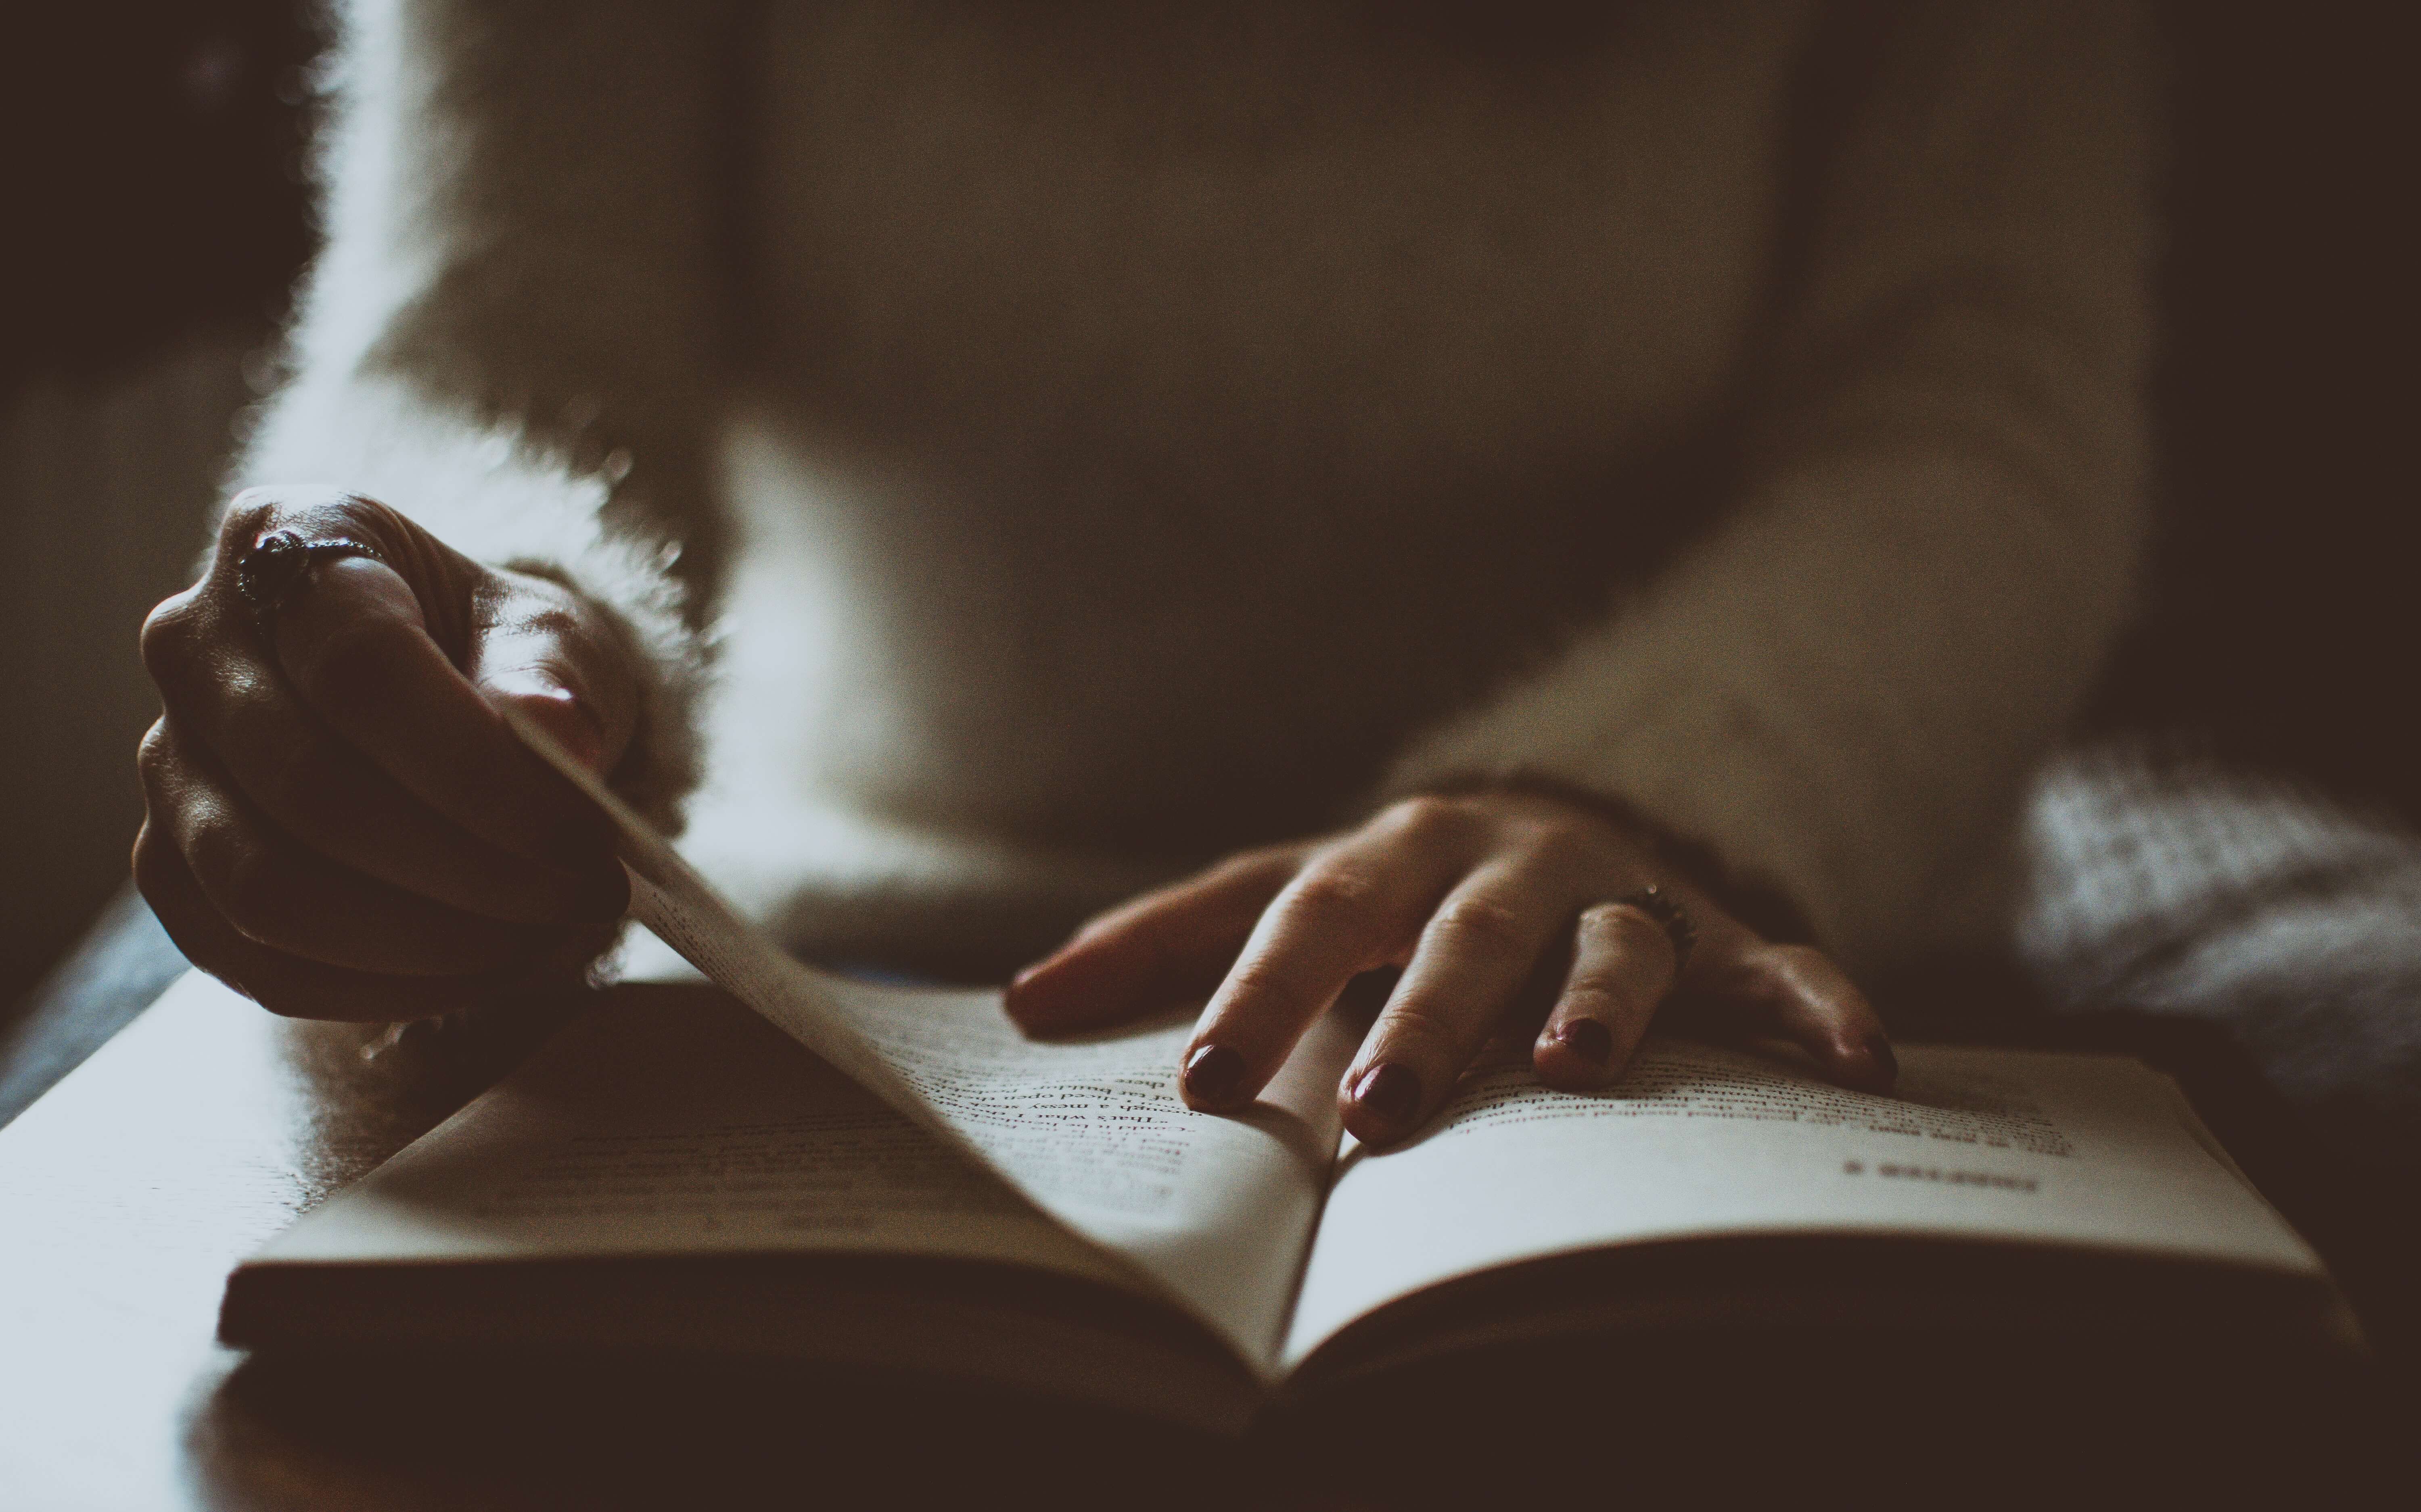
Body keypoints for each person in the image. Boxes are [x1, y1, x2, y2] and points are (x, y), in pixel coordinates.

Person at [132, 0, 2153, 1149]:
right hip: (824, 956)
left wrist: (1645, 797)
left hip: (1675, 949)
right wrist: (448, 641)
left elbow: (1979, 419)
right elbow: (482, 348)